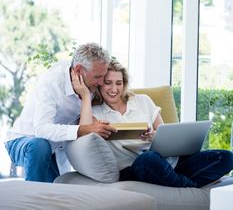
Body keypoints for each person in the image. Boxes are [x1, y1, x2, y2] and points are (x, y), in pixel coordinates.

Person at [74, 58, 233, 188]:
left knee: (226, 157)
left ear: (125, 83)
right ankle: (189, 186)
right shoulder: (95, 111)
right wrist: (86, 96)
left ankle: (177, 180)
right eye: (108, 83)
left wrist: (154, 137)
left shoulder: (142, 100)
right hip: (136, 167)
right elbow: (84, 135)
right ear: (100, 83)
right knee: (148, 159)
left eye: (119, 83)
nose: (114, 89)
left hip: (168, 163)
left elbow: (165, 133)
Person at [5, 43, 116, 182]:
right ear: (78, 69)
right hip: (23, 141)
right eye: (97, 77)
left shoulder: (90, 84)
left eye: (103, 76)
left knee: (54, 193)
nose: (101, 82)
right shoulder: (51, 83)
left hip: (53, 150)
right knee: (39, 145)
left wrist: (87, 98)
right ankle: (31, 198)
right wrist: (83, 129)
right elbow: (41, 129)